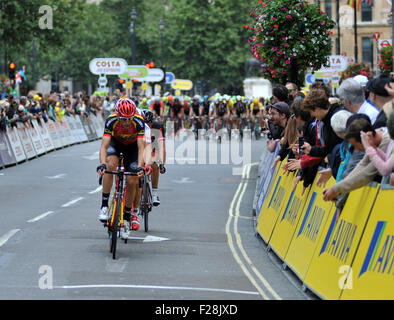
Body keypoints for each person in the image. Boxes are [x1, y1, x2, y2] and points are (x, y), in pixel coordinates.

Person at [97, 98, 147, 232]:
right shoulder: (111, 120)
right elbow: (104, 146)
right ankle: (104, 205)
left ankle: (126, 216)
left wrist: (141, 166)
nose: (126, 122)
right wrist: (102, 164)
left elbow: (141, 147)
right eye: (123, 119)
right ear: (118, 114)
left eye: (128, 119)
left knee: (132, 180)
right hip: (115, 144)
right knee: (110, 165)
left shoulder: (138, 121)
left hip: (132, 147)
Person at [323, 116, 392, 201]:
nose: (357, 149)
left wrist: (337, 189)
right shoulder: (373, 136)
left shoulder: (386, 141)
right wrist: (337, 188)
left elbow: (367, 173)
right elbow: (362, 164)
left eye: (356, 146)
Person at [141, 110, 166, 206]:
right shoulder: (139, 126)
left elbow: (162, 146)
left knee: (154, 165)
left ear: (152, 121)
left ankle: (154, 193)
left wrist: (162, 165)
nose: (148, 125)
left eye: (149, 123)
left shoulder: (158, 127)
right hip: (141, 145)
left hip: (153, 145)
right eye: (145, 123)